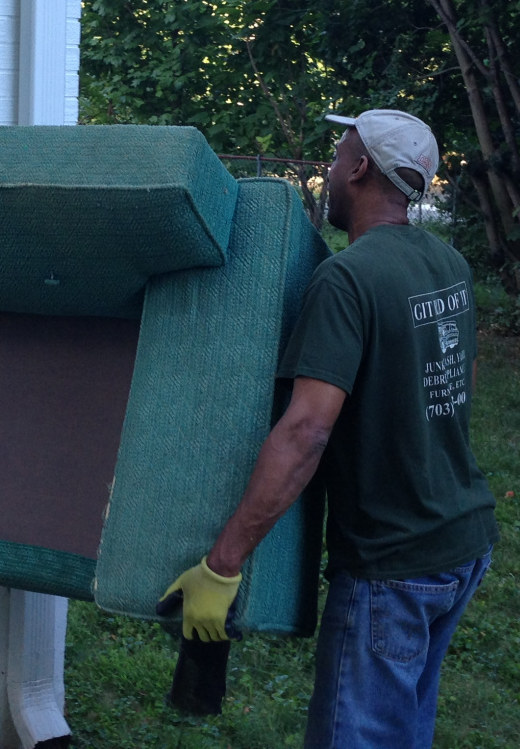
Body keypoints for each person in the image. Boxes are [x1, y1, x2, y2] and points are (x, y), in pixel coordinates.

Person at [159, 109, 498, 749]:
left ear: (361, 168)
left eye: (339, 155)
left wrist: (222, 566)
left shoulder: (347, 279)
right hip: (461, 543)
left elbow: (306, 432)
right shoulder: (447, 263)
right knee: (403, 732)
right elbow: (459, 384)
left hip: (393, 568)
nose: (332, 168)